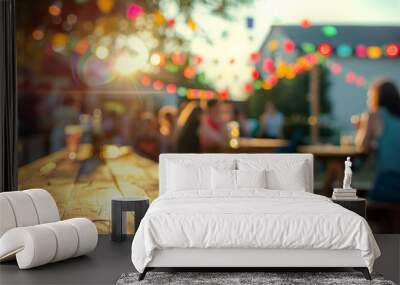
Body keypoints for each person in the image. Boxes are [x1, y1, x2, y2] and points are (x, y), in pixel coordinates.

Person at [355, 79, 400, 202]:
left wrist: (361, 128)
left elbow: (362, 147)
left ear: (375, 97)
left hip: (389, 183)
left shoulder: (374, 115)